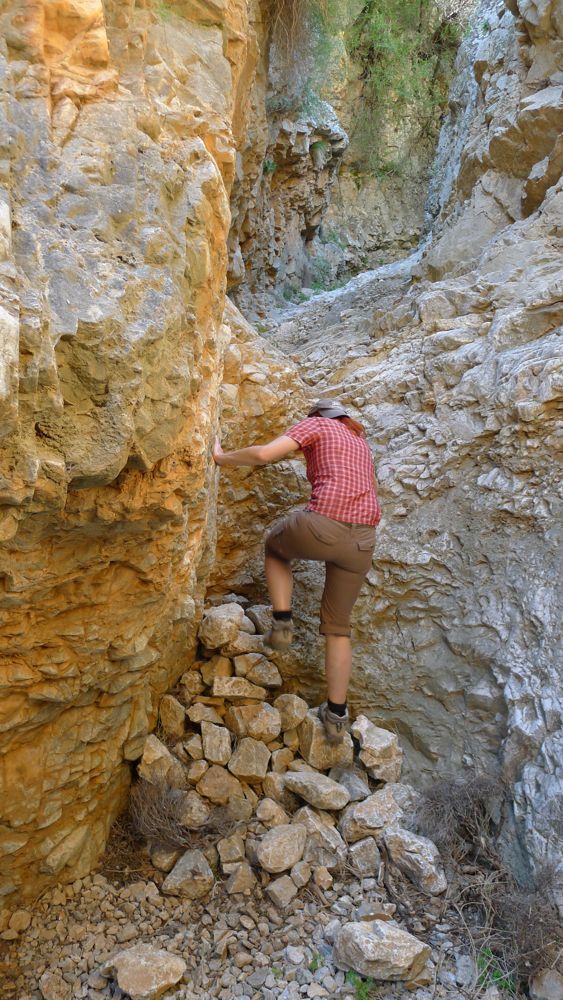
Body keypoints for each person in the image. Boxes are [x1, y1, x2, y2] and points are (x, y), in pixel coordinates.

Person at [212, 398, 381, 742]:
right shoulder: (360, 442)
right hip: (363, 541)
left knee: (275, 549)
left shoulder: (316, 424)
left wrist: (222, 457)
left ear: (319, 414)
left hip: (322, 525)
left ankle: (282, 623)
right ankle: (336, 717)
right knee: (338, 629)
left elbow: (264, 454)